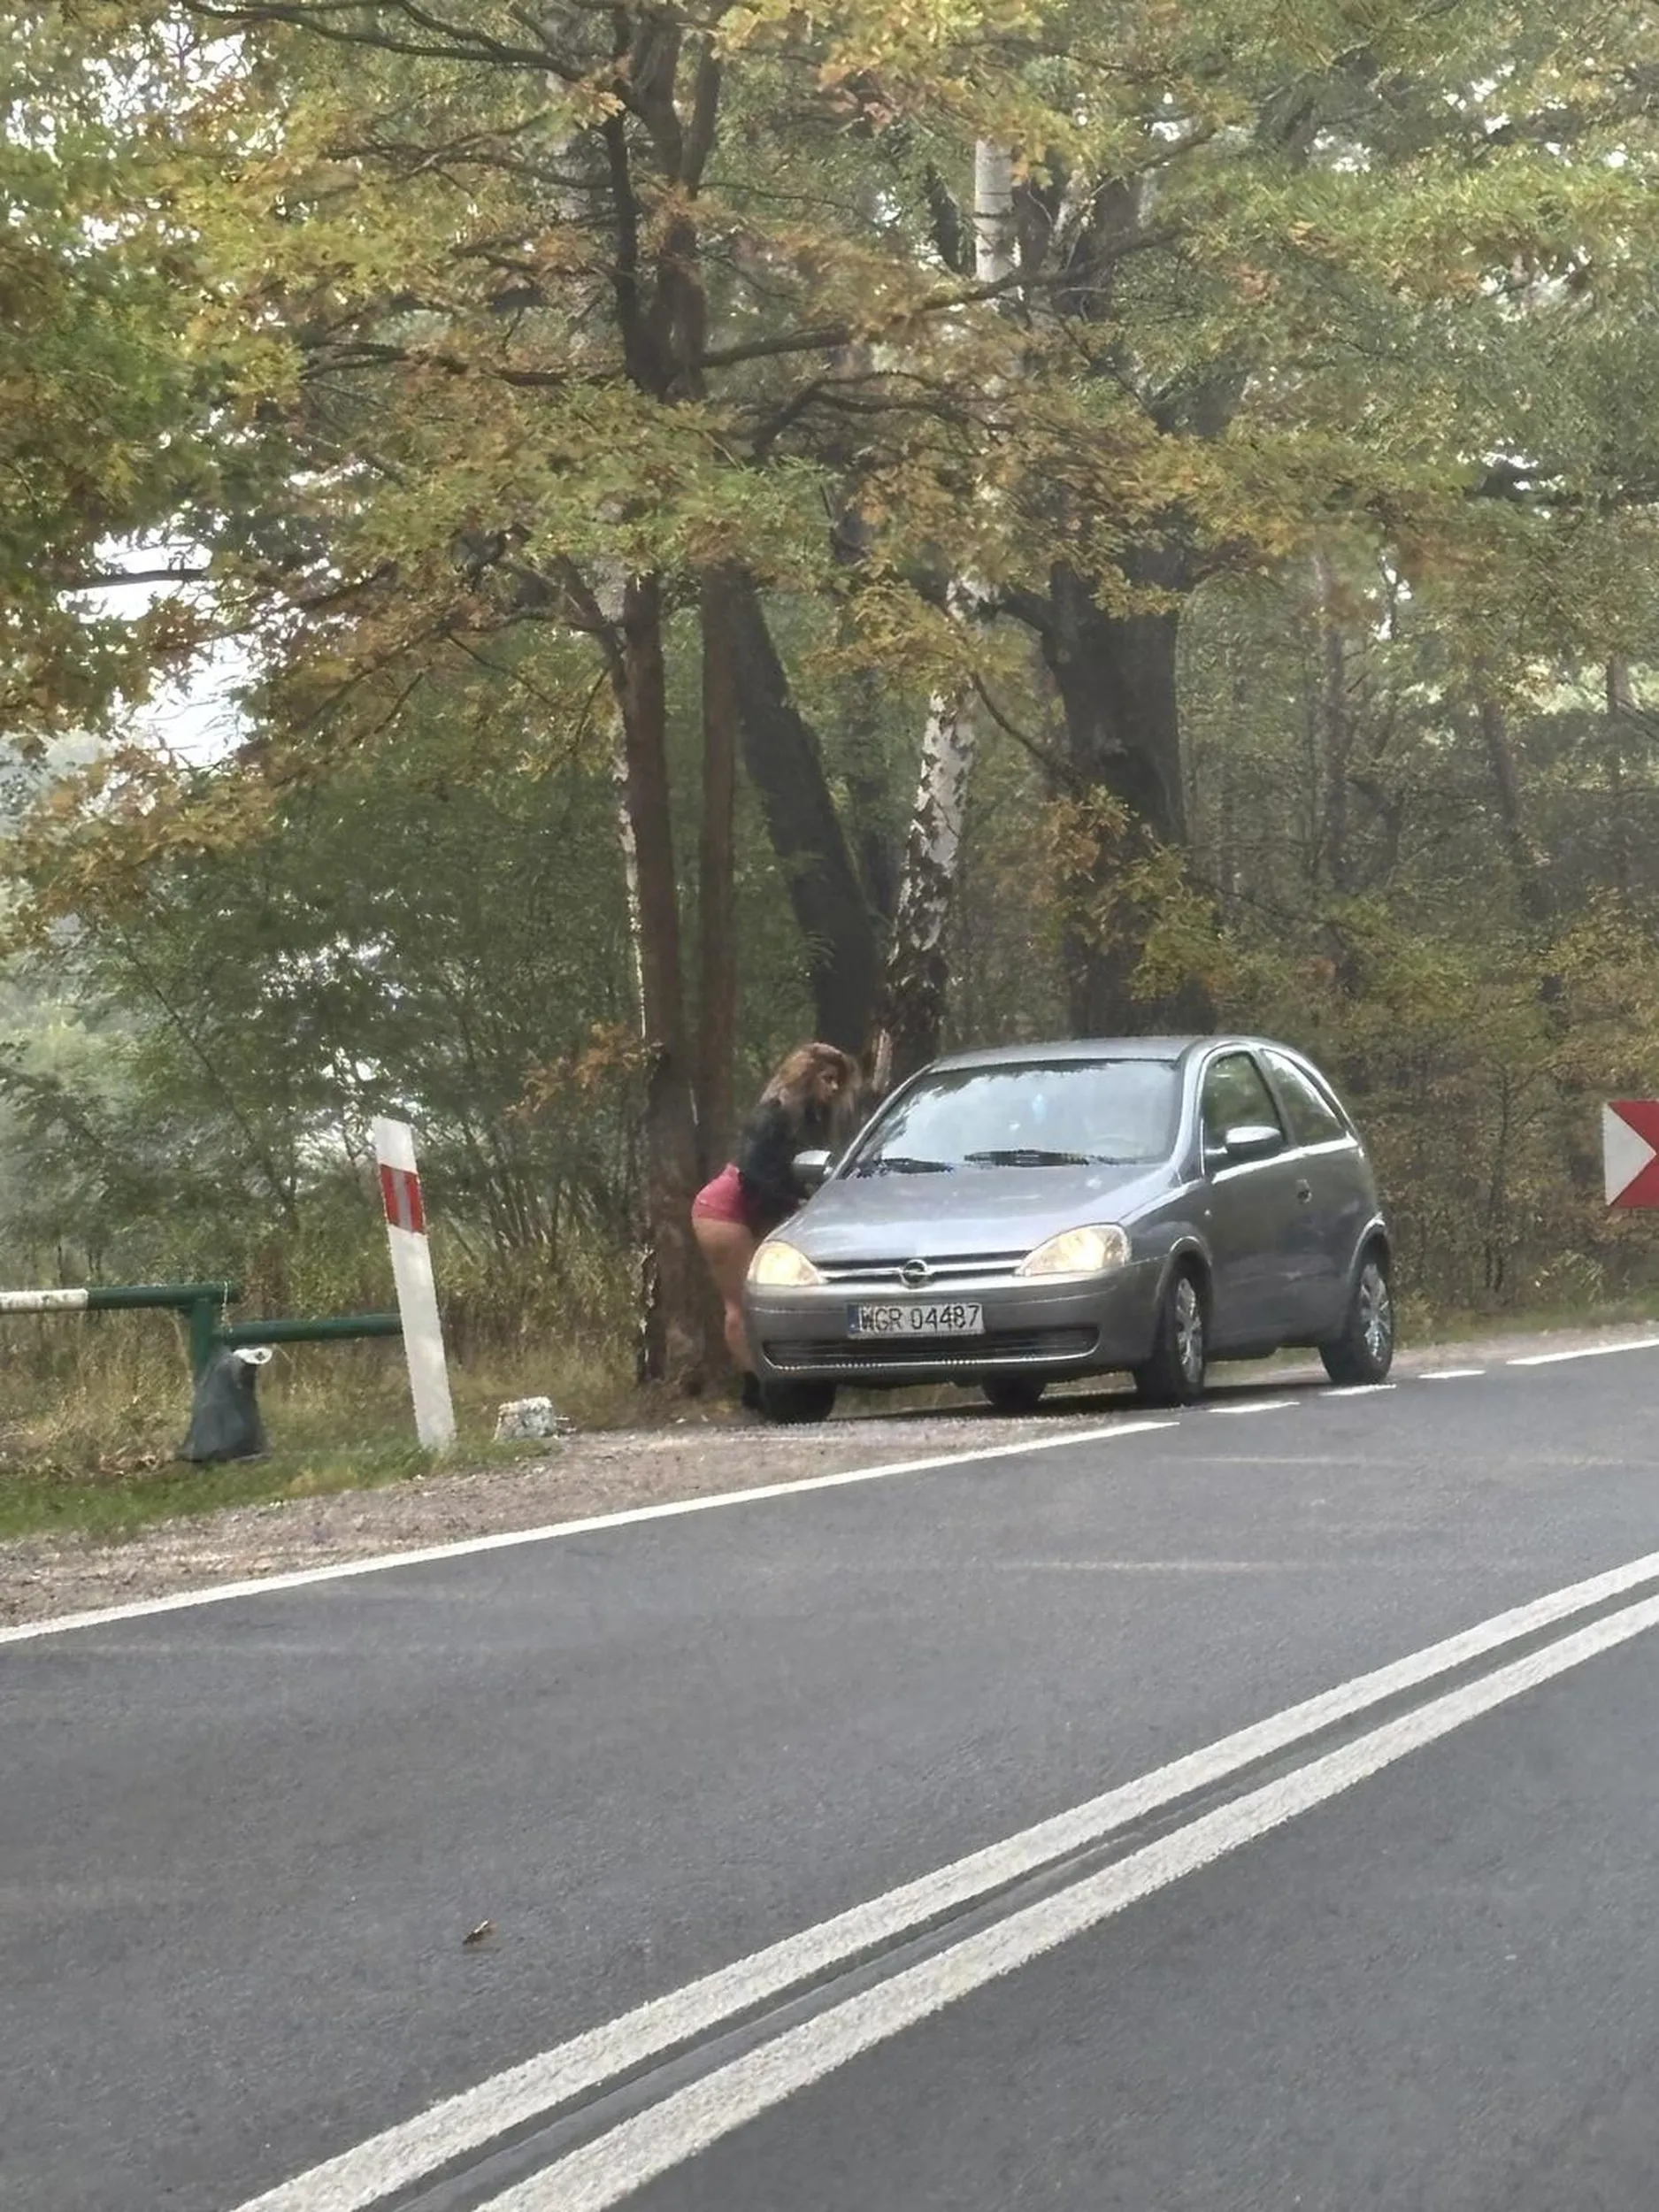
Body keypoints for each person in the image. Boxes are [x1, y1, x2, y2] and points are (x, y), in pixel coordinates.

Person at [692, 1042, 864, 1398]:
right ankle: (757, 1390)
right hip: (725, 1210)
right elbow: (755, 1177)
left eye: (837, 1081)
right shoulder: (771, 1117)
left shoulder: (809, 1120)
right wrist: (797, 1204)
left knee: (775, 1300)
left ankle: (785, 1386)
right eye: (827, 1079)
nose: (833, 1088)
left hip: (757, 1211)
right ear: (805, 1077)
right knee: (745, 1304)